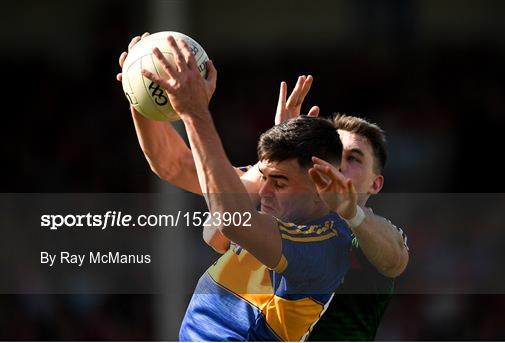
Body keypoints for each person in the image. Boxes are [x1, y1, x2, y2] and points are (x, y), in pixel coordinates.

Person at [117, 34, 409, 340]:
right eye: (333, 154)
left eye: (353, 158)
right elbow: (174, 165)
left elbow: (395, 259)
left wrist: (195, 113)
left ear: (376, 183)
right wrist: (141, 91)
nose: (337, 170)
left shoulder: (347, 239)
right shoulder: (276, 195)